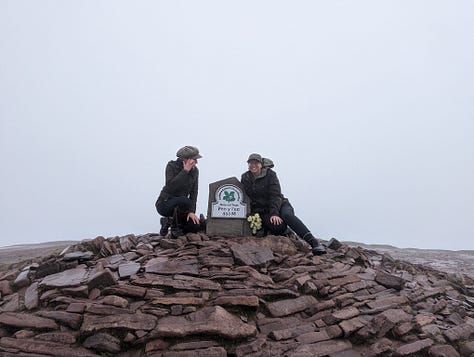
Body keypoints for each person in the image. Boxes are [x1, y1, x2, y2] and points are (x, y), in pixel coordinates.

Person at [241, 153, 326, 255]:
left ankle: (314, 243)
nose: (253, 165)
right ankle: (287, 231)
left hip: (280, 204)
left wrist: (274, 213)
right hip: (263, 210)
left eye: (256, 163)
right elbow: (245, 196)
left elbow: (275, 195)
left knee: (287, 216)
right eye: (250, 163)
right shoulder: (245, 177)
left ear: (261, 164)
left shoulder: (270, 175)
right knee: (277, 226)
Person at [155, 146, 202, 238]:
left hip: (182, 208)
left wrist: (191, 211)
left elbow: (194, 192)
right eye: (194, 159)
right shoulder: (171, 166)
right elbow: (171, 187)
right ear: (185, 159)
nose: (196, 162)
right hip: (165, 204)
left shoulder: (195, 171)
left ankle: (169, 222)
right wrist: (185, 171)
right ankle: (174, 226)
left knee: (194, 226)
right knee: (184, 200)